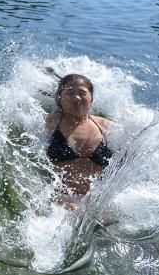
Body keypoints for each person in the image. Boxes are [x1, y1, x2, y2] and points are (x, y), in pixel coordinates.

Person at [45, 73, 114, 205]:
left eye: (82, 93)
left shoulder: (107, 127)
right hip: (61, 199)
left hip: (96, 202)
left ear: (91, 99)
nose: (77, 98)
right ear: (59, 99)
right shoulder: (49, 124)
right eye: (70, 93)